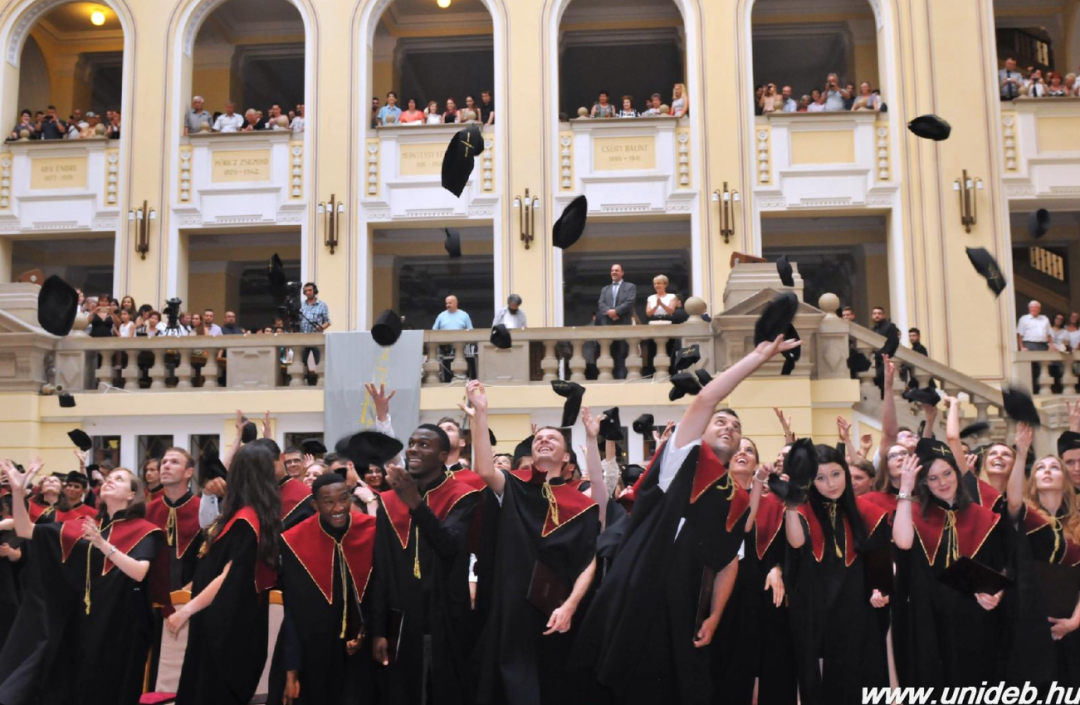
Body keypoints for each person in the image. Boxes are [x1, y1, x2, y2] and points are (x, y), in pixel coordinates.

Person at [572, 334, 800, 704]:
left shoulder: (737, 499)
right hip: (634, 586)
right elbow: (707, 398)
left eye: (736, 427)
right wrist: (756, 357)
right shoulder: (683, 458)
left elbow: (729, 561)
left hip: (679, 605)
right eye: (721, 422)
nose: (728, 428)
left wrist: (714, 615)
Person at [468, 381, 599, 705]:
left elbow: (588, 560)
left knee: (554, 685)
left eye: (552, 438)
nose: (543, 440)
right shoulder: (514, 484)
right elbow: (485, 469)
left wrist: (570, 606)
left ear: (566, 456)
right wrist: (481, 414)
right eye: (539, 438)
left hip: (556, 609)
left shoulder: (581, 503)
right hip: (512, 607)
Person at [1, 461, 164, 705]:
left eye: (119, 479)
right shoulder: (82, 525)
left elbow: (139, 571)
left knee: (110, 689)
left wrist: (102, 545)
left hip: (121, 625)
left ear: (132, 494)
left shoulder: (145, 530)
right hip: (80, 622)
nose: (110, 480)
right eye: (110, 478)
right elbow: (25, 530)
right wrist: (16, 491)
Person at [370, 424, 481, 704]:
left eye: (424, 444)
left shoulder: (464, 495)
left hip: (445, 618)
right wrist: (379, 630)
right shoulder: (387, 501)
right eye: (411, 443)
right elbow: (381, 568)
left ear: (443, 455)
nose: (413, 449)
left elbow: (448, 546)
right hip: (402, 620)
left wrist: (415, 503)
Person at [169, 443, 281, 705]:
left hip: (227, 628)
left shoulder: (247, 520)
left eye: (233, 467)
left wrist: (186, 610)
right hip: (219, 621)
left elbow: (228, 577)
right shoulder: (246, 515)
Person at [892, 439, 1006, 687]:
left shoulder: (984, 517)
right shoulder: (911, 512)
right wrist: (906, 489)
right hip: (928, 615)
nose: (943, 483)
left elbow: (1001, 567)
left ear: (958, 472)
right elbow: (902, 542)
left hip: (973, 616)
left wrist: (997, 594)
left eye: (947, 473)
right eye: (933, 478)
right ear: (923, 481)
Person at [783, 444, 891, 703]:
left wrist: (882, 590)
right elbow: (795, 544)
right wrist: (790, 505)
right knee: (815, 681)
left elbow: (880, 563)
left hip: (856, 609)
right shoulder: (801, 511)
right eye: (820, 478)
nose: (830, 484)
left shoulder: (868, 513)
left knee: (857, 676)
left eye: (835, 474)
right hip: (813, 608)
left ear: (845, 471)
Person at [711, 438, 797, 705]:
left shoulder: (775, 504)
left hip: (760, 590)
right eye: (738, 449)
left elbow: (788, 545)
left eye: (749, 450)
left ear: (757, 463)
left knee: (765, 660)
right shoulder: (713, 497)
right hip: (720, 589)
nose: (742, 453)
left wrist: (778, 566)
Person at [279, 473, 376, 705]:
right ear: (315, 505)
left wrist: (366, 629)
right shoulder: (294, 541)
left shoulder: (373, 531)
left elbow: (383, 592)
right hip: (317, 651)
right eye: (328, 502)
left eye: (343, 499)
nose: (338, 508)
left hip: (366, 646)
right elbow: (293, 610)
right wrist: (292, 669)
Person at [1008, 424, 1080, 688]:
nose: (1047, 471)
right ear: (1033, 480)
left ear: (1066, 479)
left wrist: (1074, 621)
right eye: (1040, 468)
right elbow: (1013, 500)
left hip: (1073, 622)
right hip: (1029, 621)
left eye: (1054, 467)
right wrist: (1022, 452)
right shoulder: (1026, 516)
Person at [146, 448, 203, 590]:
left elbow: (213, 560)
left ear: (188, 472)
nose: (166, 466)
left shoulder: (203, 509)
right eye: (164, 462)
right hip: (154, 596)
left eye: (174, 462)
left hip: (194, 594)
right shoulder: (148, 510)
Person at [596, 264, 636, 379]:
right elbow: (601, 304)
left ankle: (621, 379)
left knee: (622, 354)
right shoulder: (605, 289)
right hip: (608, 325)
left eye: (617, 270)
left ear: (622, 273)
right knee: (609, 354)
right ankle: (612, 378)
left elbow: (630, 302)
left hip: (623, 324)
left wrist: (616, 312)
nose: (614, 272)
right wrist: (610, 312)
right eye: (612, 270)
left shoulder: (630, 287)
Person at [433, 295, 475, 382]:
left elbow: (471, 331)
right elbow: (434, 330)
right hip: (444, 347)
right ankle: (445, 379)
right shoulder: (441, 315)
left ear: (456, 303)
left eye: (450, 303)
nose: (448, 305)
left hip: (461, 346)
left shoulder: (464, 315)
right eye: (446, 303)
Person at [1019, 299, 1054, 392]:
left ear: (1039, 309)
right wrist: (1022, 347)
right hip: (1029, 344)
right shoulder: (1024, 319)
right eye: (1032, 307)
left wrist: (1051, 345)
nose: (1033, 309)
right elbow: (1019, 334)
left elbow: (1049, 333)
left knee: (1044, 367)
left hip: (1043, 345)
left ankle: (1042, 388)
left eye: (1036, 307)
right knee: (1032, 368)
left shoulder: (1045, 318)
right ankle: (1032, 389)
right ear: (1029, 308)